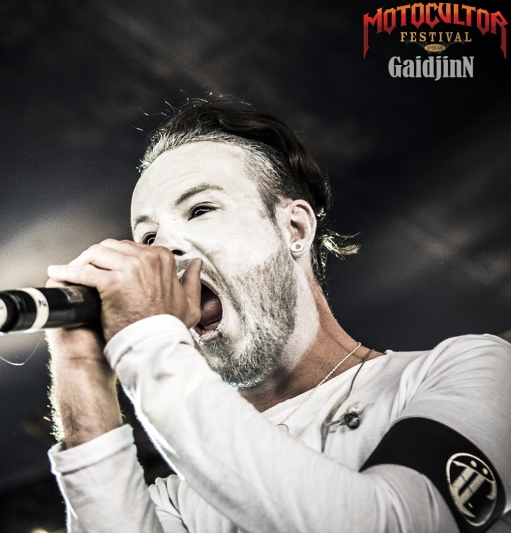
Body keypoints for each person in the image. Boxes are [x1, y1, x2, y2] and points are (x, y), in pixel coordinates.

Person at [43, 98, 511, 533]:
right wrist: (78, 369)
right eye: (147, 238)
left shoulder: (471, 369)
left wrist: (148, 341)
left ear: (295, 227)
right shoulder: (181, 498)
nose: (163, 252)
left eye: (200, 208)